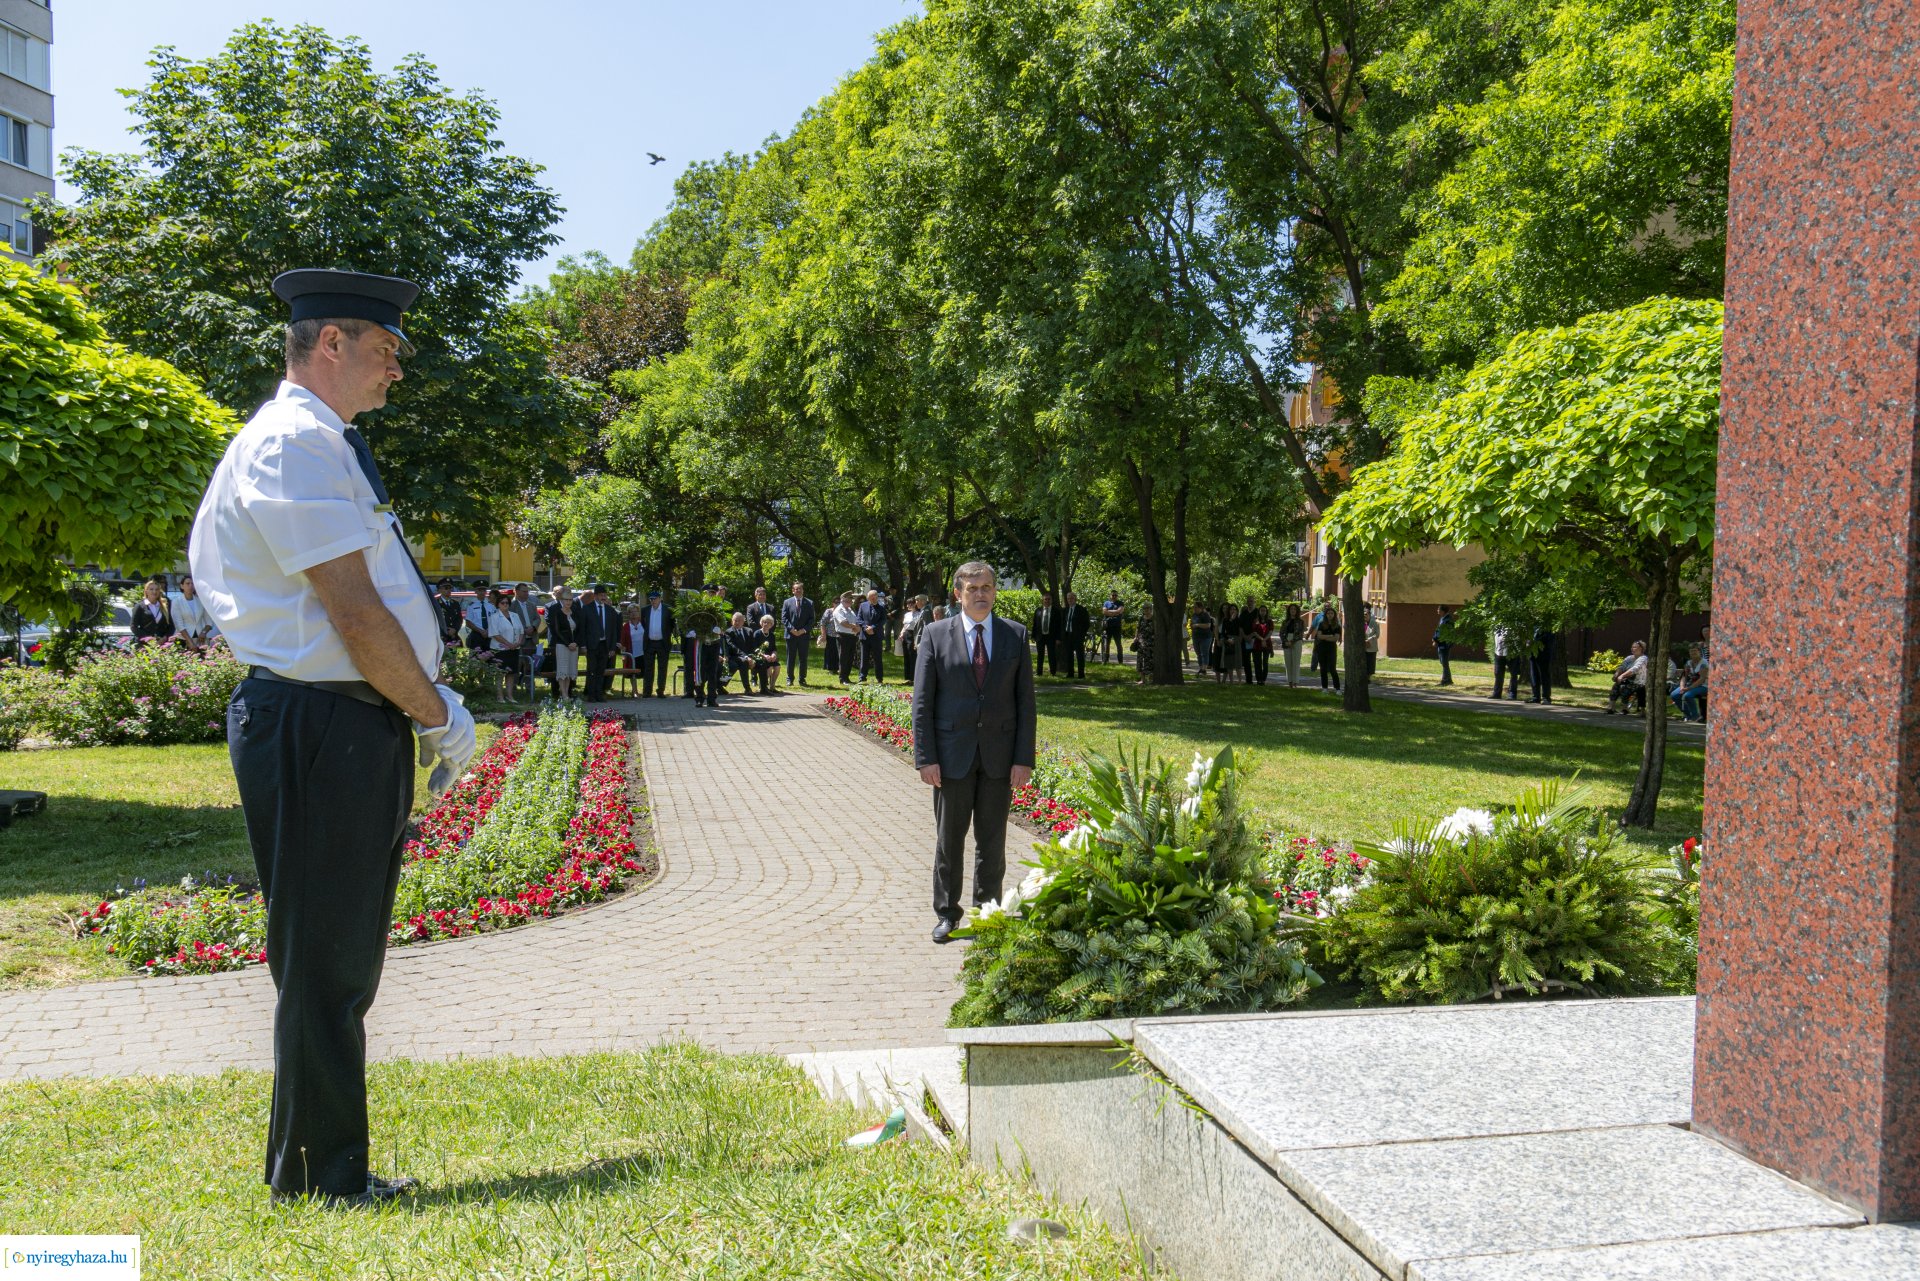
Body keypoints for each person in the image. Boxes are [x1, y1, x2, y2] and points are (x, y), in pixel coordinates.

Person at [187, 268, 476, 1208]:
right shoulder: (294, 445)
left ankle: (317, 1165)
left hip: (342, 722)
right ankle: (320, 1179)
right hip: (320, 722)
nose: (399, 367)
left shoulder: (323, 444)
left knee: (337, 959)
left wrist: (417, 709)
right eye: (387, 348)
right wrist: (434, 711)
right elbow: (351, 611)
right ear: (331, 344)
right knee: (324, 961)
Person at [909, 561, 1036, 945]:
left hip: (999, 757)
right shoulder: (934, 634)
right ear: (957, 594)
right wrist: (925, 757)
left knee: (992, 840)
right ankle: (947, 914)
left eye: (987, 587)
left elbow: (1025, 703)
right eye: (972, 588)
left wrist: (1023, 758)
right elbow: (922, 702)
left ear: (995, 591)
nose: (980, 594)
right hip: (950, 759)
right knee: (950, 840)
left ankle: (987, 912)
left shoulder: (1015, 635)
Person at [578, 584, 620, 701]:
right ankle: (591, 695)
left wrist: (612, 647)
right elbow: (583, 628)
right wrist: (583, 645)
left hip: (605, 645)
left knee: (601, 670)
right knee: (592, 670)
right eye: (601, 595)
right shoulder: (587, 608)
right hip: (592, 645)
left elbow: (613, 631)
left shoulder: (610, 610)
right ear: (595, 596)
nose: (604, 597)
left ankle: (599, 693)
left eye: (605, 595)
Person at [636, 589, 675, 698]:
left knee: (662, 667)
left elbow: (671, 625)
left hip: (663, 643)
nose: (653, 601)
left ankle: (660, 690)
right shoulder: (645, 610)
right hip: (649, 643)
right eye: (651, 599)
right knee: (648, 668)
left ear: (660, 598)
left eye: (655, 599)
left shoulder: (668, 610)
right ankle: (647, 691)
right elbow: (643, 624)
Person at [545, 585, 580, 699]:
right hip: (561, 644)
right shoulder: (556, 610)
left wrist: (575, 643)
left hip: (574, 646)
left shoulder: (575, 611)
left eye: (570, 600)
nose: (568, 602)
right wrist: (567, 643)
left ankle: (566, 693)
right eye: (566, 599)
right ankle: (563, 694)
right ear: (561, 599)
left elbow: (579, 628)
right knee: (562, 669)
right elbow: (556, 630)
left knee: (570, 670)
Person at [780, 582, 816, 688]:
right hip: (791, 635)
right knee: (790, 658)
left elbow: (812, 619)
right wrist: (792, 629)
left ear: (803, 590)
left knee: (803, 658)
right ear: (792, 590)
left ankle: (802, 679)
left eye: (799, 589)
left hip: (803, 636)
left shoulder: (809, 603)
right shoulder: (787, 602)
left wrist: (803, 630)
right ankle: (789, 679)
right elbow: (784, 618)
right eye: (796, 589)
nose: (798, 591)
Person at [1606, 640, 1650, 714]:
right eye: (1632, 647)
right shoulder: (1629, 658)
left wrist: (1622, 676)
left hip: (1639, 682)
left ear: (1641, 649)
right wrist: (1616, 675)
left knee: (1624, 687)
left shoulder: (1643, 658)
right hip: (1628, 680)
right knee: (1616, 685)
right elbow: (1622, 667)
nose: (1633, 649)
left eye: (1635, 647)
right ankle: (1611, 707)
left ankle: (1624, 709)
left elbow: (1635, 669)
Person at [174, 573, 214, 653]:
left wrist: (203, 632)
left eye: (192, 584)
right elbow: (179, 624)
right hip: (183, 639)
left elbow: (209, 622)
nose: (190, 586)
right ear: (182, 586)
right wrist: (190, 642)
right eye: (187, 583)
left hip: (200, 639)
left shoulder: (200, 601)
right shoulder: (176, 602)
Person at [131, 576, 176, 645]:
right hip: (144, 644)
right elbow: (133, 626)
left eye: (157, 589)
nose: (154, 592)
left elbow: (171, 626)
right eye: (151, 589)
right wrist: (147, 638)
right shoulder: (140, 606)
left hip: (162, 644)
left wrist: (164, 638)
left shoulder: (164, 606)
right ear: (146, 591)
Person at [856, 588, 888, 683]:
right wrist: (866, 627)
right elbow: (859, 619)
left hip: (876, 635)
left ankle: (879, 678)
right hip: (865, 636)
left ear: (877, 597)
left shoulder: (881, 608)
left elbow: (883, 620)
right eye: (871, 598)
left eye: (874, 598)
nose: (873, 600)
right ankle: (862, 677)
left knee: (878, 658)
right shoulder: (863, 605)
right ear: (868, 598)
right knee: (864, 657)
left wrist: (873, 627)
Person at [1672, 642, 1709, 722]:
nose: (1693, 653)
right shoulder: (1688, 663)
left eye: (1695, 651)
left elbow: (1702, 679)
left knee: (1687, 695)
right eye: (1691, 651)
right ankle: (1688, 715)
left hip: (1703, 685)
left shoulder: (1704, 663)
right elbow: (1684, 676)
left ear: (1699, 652)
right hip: (1690, 685)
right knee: (1674, 695)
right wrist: (1682, 686)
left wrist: (1688, 688)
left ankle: (1696, 716)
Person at [723, 612, 759, 693]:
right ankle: (747, 688)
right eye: (735, 620)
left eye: (740, 620)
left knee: (762, 662)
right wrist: (746, 657)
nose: (737, 622)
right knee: (743, 662)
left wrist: (751, 657)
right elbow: (733, 647)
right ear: (732, 621)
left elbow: (752, 646)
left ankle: (764, 687)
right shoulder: (729, 632)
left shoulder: (749, 631)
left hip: (748, 656)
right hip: (734, 656)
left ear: (743, 621)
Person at [829, 592, 860, 683]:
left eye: (851, 599)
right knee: (844, 658)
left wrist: (857, 627)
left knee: (850, 658)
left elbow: (855, 621)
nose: (850, 601)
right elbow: (843, 623)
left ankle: (847, 677)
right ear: (843, 600)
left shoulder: (850, 609)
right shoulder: (839, 610)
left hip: (852, 636)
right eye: (848, 599)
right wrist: (854, 627)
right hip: (843, 636)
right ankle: (842, 678)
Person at [1060, 591, 1091, 679]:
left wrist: (1082, 634)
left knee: (1079, 655)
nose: (1070, 600)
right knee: (1069, 655)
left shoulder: (1081, 609)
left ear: (1075, 599)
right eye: (1068, 598)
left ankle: (1081, 674)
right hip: (1068, 635)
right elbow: (1063, 623)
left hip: (1077, 636)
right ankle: (1070, 673)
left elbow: (1086, 624)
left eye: (1071, 598)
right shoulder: (1065, 610)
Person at [1031, 591, 1062, 677]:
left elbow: (1059, 626)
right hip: (1040, 636)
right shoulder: (1038, 610)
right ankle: (1039, 672)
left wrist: (1058, 638)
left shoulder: (1056, 611)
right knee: (1040, 655)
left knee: (1052, 655)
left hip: (1051, 637)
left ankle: (1053, 673)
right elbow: (1035, 624)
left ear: (1051, 600)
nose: (1047, 601)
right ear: (1042, 600)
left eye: (1049, 599)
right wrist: (1033, 636)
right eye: (1045, 599)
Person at [1313, 601, 1342, 691]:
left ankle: (1337, 688)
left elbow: (1336, 638)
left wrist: (1325, 637)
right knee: (1323, 668)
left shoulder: (1337, 626)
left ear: (1334, 614)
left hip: (1331, 649)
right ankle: (1324, 688)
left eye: (1332, 613)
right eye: (1328, 613)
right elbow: (1319, 636)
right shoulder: (1322, 624)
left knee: (1332, 669)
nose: (1330, 615)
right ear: (1325, 614)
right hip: (1321, 648)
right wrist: (1329, 636)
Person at [1489, 625, 1522, 700]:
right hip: (1499, 652)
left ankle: (1512, 694)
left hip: (1513, 652)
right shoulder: (1496, 621)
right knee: (1498, 673)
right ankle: (1497, 693)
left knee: (1514, 674)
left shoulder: (1515, 621)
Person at [1526, 624, 1554, 705]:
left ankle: (1546, 697)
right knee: (1534, 675)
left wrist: (1534, 642)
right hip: (1532, 653)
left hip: (1543, 653)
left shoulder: (1548, 625)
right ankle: (1535, 696)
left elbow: (1548, 638)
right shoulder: (1532, 626)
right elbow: (1528, 636)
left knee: (1544, 675)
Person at [1279, 603, 1305, 688]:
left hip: (1296, 641)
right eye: (1291, 609)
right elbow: (1281, 633)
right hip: (1287, 641)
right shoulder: (1285, 621)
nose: (1293, 610)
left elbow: (1300, 633)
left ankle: (1295, 682)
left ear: (1297, 611)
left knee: (1296, 662)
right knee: (1288, 662)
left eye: (1294, 609)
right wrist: (1285, 641)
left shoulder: (1301, 622)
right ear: (1289, 611)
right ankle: (1289, 681)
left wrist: (1292, 641)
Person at [431, 580, 463, 650]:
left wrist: (455, 629)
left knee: (454, 659)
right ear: (440, 590)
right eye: (446, 588)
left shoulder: (455, 604)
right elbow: (435, 620)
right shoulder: (436, 604)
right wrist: (446, 630)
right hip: (442, 637)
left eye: (450, 588)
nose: (449, 590)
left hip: (453, 636)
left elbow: (459, 619)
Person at [752, 613, 780, 692]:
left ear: (771, 625)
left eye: (769, 622)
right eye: (765, 622)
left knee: (777, 667)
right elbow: (754, 648)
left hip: (770, 657)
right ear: (761, 623)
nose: (766, 624)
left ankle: (772, 686)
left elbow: (774, 647)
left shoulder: (772, 635)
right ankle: (762, 686)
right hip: (759, 657)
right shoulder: (757, 633)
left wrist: (774, 654)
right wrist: (764, 656)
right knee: (770, 667)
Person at [1211, 603, 1238, 682]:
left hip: (1228, 638)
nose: (1225, 610)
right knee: (1217, 659)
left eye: (1226, 608)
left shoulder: (1231, 618)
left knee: (1226, 660)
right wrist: (1218, 640)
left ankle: (1224, 680)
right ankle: (1218, 680)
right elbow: (1215, 630)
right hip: (1219, 638)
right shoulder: (1219, 618)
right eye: (1223, 608)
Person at [1251, 606, 1275, 685]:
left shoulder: (1269, 621)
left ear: (1266, 611)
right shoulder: (1256, 620)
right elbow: (1254, 632)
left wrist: (1265, 640)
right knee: (1257, 662)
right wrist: (1261, 639)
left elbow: (1271, 631)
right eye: (1261, 610)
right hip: (1257, 643)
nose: (1263, 612)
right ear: (1259, 611)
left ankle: (1263, 679)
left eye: (1264, 611)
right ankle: (1259, 679)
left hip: (1267, 643)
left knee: (1265, 662)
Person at [1433, 606, 1456, 686]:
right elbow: (1438, 630)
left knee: (1444, 662)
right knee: (1443, 662)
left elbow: (1442, 632)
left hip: (1445, 644)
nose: (1437, 610)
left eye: (1438, 609)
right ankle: (1448, 679)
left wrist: (1436, 640)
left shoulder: (1447, 620)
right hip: (1441, 643)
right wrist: (1435, 639)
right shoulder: (1443, 618)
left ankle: (1445, 680)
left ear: (1443, 611)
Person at [1100, 591, 1125, 663]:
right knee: (1107, 643)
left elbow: (1120, 611)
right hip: (1107, 626)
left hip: (1117, 626)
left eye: (1115, 595)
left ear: (1117, 596)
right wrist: (1115, 612)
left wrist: (1109, 612)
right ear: (1110, 595)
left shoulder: (1120, 603)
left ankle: (1120, 661)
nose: (1114, 596)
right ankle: (1106, 659)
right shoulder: (1106, 603)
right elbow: (1104, 612)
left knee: (1118, 643)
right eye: (1113, 595)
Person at [1190, 601, 1216, 672]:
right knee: (1198, 653)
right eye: (1193, 607)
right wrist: (1192, 626)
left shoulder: (1205, 615)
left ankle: (1204, 668)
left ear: (1200, 607)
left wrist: (1197, 625)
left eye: (1195, 607)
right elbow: (1192, 624)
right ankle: (1201, 667)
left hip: (1206, 637)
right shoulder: (1194, 615)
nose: (1194, 609)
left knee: (1204, 653)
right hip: (1195, 636)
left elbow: (1208, 625)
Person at [1134, 600, 1155, 682]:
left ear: (1151, 609)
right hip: (1141, 642)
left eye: (1148, 608)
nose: (1146, 610)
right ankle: (1142, 679)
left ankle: (1151, 678)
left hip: (1151, 642)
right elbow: (1138, 628)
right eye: (1145, 608)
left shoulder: (1154, 618)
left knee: (1150, 661)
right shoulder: (1141, 618)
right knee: (1140, 660)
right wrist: (1135, 637)